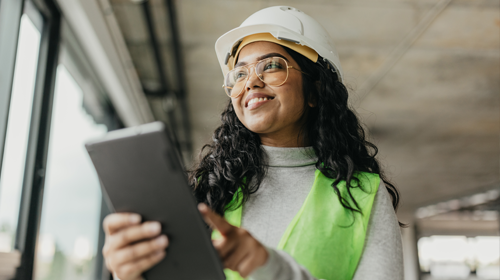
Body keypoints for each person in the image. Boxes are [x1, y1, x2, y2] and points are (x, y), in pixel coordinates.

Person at [102, 6, 404, 280]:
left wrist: (270, 268)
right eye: (240, 73)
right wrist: (132, 273)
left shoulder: (364, 196)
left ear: (315, 91)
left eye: (271, 66)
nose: (251, 82)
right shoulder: (209, 190)